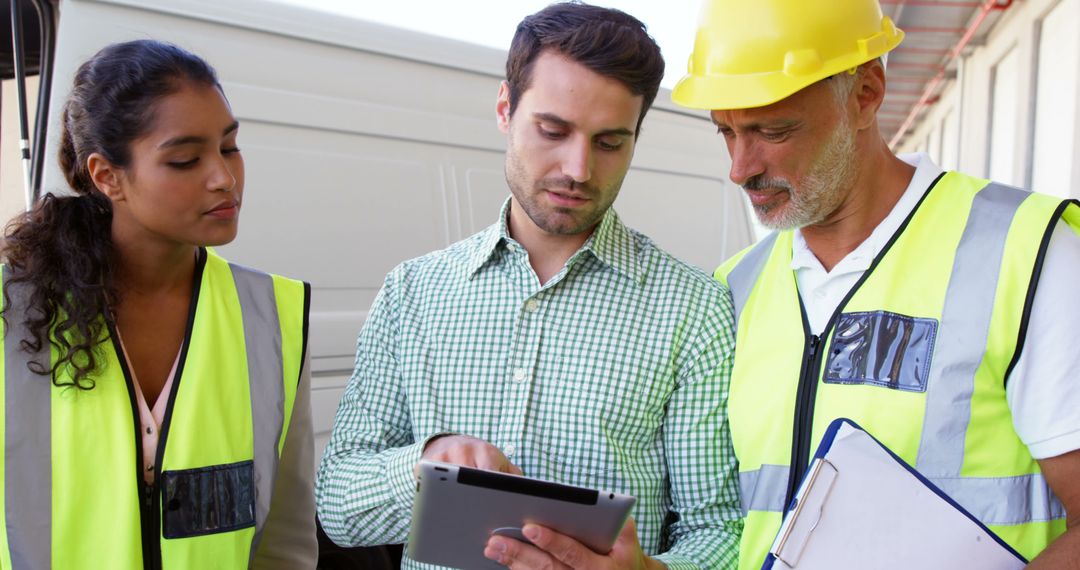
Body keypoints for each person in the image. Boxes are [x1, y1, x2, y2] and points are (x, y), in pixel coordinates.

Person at [316, 3, 742, 568]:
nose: (579, 168)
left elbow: (721, 529)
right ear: (504, 109)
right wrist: (425, 467)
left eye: (610, 142)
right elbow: (337, 505)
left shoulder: (694, 308)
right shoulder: (412, 294)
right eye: (553, 130)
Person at [672, 0, 1080, 568]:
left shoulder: (1027, 253)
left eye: (773, 130)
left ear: (866, 93)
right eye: (726, 132)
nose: (741, 167)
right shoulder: (732, 289)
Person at [0, 40, 316, 569]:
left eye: (230, 147)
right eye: (185, 159)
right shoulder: (10, 312)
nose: (224, 178)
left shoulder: (273, 313)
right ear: (106, 176)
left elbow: (284, 538)